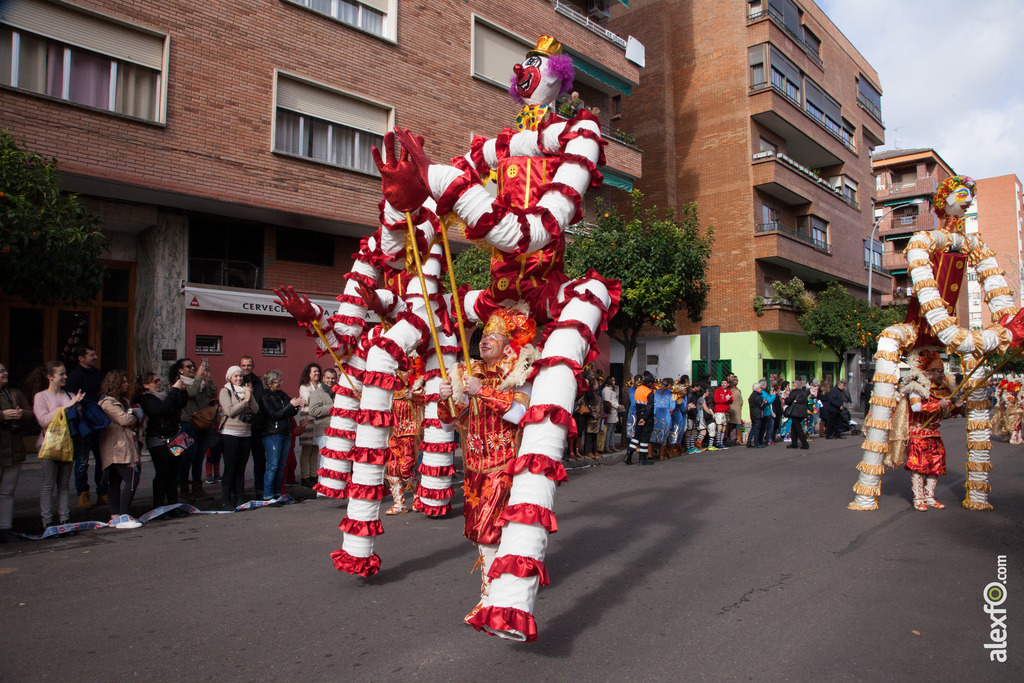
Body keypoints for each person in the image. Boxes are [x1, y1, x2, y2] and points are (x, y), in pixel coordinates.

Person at [436, 307, 536, 621]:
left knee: (491, 531)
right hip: (474, 468)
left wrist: (484, 392)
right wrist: (446, 399)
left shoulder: (518, 372)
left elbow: (520, 415)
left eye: (492, 336)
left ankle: (490, 596)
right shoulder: (470, 374)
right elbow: (452, 423)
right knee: (481, 532)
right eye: (482, 336)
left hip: (504, 466)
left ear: (508, 344)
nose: (483, 341)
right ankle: (499, 587)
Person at [898, 348, 963, 510]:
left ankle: (929, 496)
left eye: (942, 371)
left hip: (934, 433)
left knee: (936, 466)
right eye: (938, 371)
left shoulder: (943, 389)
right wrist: (937, 405)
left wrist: (957, 407)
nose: (941, 374)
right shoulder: (916, 386)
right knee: (919, 466)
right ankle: (918, 497)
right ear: (928, 371)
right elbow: (917, 408)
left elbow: (947, 412)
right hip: (918, 432)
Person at [32, 361, 84, 528]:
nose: (65, 377)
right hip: (48, 444)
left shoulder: (69, 395)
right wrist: (65, 407)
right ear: (50, 377)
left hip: (67, 444)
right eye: (61, 374)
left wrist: (78, 408)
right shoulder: (41, 396)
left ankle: (65, 520)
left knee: (64, 485)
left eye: (65, 373)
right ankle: (47, 522)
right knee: (48, 484)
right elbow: (43, 420)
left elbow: (76, 420)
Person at [135, 371, 188, 509]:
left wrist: (182, 391)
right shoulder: (145, 399)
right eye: (154, 381)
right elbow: (161, 410)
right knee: (163, 472)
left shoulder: (165, 395)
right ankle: (159, 507)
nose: (158, 383)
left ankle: (173, 504)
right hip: (159, 439)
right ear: (146, 385)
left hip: (175, 437)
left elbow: (180, 404)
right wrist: (174, 390)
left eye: (159, 380)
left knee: (173, 472)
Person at [97, 370, 143, 528]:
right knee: (131, 479)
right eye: (123, 382)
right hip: (116, 445)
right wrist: (134, 416)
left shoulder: (122, 401)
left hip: (125, 443)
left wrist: (132, 416)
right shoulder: (107, 403)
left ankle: (115, 515)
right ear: (115, 384)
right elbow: (125, 419)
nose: (127, 384)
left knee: (116, 480)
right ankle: (122, 514)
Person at [65, 345, 106, 510]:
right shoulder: (74, 376)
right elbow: (71, 400)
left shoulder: (98, 374)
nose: (95, 357)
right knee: (82, 461)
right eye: (91, 354)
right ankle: (83, 493)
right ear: (81, 358)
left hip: (98, 420)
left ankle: (102, 491)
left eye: (95, 354)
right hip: (83, 423)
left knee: (101, 459)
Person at [170, 357, 216, 502]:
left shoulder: (199, 382)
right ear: (180, 370)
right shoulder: (180, 383)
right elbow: (192, 393)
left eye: (193, 366)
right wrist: (198, 376)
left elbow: (211, 393)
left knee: (199, 457)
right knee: (189, 455)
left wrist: (208, 378)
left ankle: (197, 487)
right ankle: (183, 487)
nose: (192, 368)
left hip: (202, 423)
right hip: (188, 424)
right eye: (188, 366)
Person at [258, 370, 304, 502]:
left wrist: (296, 406)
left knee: (281, 465)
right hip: (273, 433)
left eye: (280, 381)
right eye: (278, 381)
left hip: (285, 432)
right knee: (273, 465)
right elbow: (273, 415)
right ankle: (268, 494)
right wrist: (291, 405)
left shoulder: (281, 394)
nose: (280, 383)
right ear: (270, 383)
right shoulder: (264, 396)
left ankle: (278, 492)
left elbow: (290, 411)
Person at [385, 361, 425, 514]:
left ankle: (419, 495)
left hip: (410, 434)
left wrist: (414, 396)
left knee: (406, 469)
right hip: (395, 433)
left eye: (405, 370)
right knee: (392, 468)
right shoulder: (391, 389)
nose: (400, 374)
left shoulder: (417, 387)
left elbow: (427, 399)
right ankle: (399, 504)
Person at [0, 363, 33, 542]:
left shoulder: (14, 393)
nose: (5, 373)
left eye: (5, 370)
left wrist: (20, 414)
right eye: (1, 371)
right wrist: (3, 415)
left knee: (8, 491)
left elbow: (30, 412)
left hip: (14, 448)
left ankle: (5, 528)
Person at [219, 366, 259, 509]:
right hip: (230, 433)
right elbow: (230, 411)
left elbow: (255, 409)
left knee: (241, 468)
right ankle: (226, 500)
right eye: (235, 376)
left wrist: (251, 396)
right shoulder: (225, 391)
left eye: (240, 376)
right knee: (230, 468)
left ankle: (240, 498)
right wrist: (245, 401)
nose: (239, 378)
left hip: (246, 433)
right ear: (229, 377)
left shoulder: (246, 391)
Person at [305, 367, 337, 488]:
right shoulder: (317, 393)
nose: (330, 380)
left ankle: (332, 487)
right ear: (323, 378)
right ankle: (322, 488)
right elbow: (313, 411)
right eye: (328, 378)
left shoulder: (338, 391)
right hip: (323, 430)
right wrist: (333, 407)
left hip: (336, 430)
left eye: (333, 378)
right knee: (325, 460)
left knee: (334, 460)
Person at [239, 356, 266, 496]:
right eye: (243, 365)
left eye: (249, 365)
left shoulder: (257, 382)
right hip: (240, 425)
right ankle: (239, 489)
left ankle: (259, 487)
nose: (246, 368)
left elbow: (260, 401)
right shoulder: (236, 381)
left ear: (252, 366)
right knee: (241, 460)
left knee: (259, 459)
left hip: (256, 426)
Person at [296, 363, 322, 487]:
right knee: (306, 449)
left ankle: (313, 474)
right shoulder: (304, 386)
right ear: (309, 374)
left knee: (315, 449)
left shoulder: (321, 385)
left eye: (318, 371)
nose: (316, 374)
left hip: (320, 420)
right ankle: (305, 476)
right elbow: (309, 401)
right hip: (308, 418)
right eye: (314, 372)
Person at [624, 373, 655, 465]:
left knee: (636, 437)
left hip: (638, 416)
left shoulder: (638, 390)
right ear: (649, 383)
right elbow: (649, 407)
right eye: (652, 383)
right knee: (645, 438)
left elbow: (637, 405)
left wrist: (640, 418)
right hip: (647, 418)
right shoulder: (649, 393)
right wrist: (645, 419)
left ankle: (628, 455)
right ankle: (642, 459)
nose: (653, 384)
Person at [651, 378, 675, 459]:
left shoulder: (656, 392)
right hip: (665, 415)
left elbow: (654, 403)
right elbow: (672, 407)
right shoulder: (671, 393)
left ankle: (649, 454)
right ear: (669, 385)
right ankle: (662, 455)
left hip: (656, 414)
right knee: (664, 434)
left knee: (654, 433)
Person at [579, 378, 604, 457]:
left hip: (598, 417)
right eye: (595, 384)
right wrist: (594, 414)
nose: (597, 385)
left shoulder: (597, 393)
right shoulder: (590, 394)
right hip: (592, 417)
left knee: (595, 435)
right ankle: (588, 450)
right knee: (589, 435)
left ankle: (595, 450)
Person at [784, 379, 810, 450]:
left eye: (792, 385)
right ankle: (794, 443)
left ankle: (805, 444)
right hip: (802, 412)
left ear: (795, 386)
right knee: (794, 427)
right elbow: (806, 402)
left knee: (798, 428)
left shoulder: (794, 392)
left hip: (795, 412)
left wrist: (786, 399)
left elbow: (788, 401)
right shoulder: (804, 393)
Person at [712, 378, 733, 450]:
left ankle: (721, 442)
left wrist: (729, 400)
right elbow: (716, 400)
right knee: (719, 427)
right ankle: (718, 443)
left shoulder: (729, 391)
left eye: (725, 383)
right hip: (719, 411)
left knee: (724, 427)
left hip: (725, 411)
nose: (723, 384)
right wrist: (725, 400)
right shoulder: (718, 391)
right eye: (722, 383)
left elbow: (731, 401)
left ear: (728, 384)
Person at [601, 376, 621, 452]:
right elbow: (608, 401)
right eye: (613, 381)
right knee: (609, 430)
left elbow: (616, 398)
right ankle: (607, 446)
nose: (614, 382)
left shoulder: (612, 389)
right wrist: (617, 405)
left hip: (614, 411)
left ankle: (612, 445)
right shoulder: (606, 390)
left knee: (612, 430)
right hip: (610, 411)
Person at [746, 381, 766, 449]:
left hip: (753, 414)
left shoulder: (752, 395)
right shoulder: (757, 396)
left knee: (753, 428)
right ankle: (756, 443)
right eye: (760, 388)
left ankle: (749, 442)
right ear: (757, 388)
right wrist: (765, 403)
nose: (761, 389)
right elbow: (761, 405)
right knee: (757, 429)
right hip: (757, 414)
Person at [726, 374, 744, 446]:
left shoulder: (732, 390)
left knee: (728, 423)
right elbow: (741, 401)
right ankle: (738, 439)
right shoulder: (735, 390)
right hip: (735, 409)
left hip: (731, 408)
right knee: (737, 423)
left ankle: (726, 436)